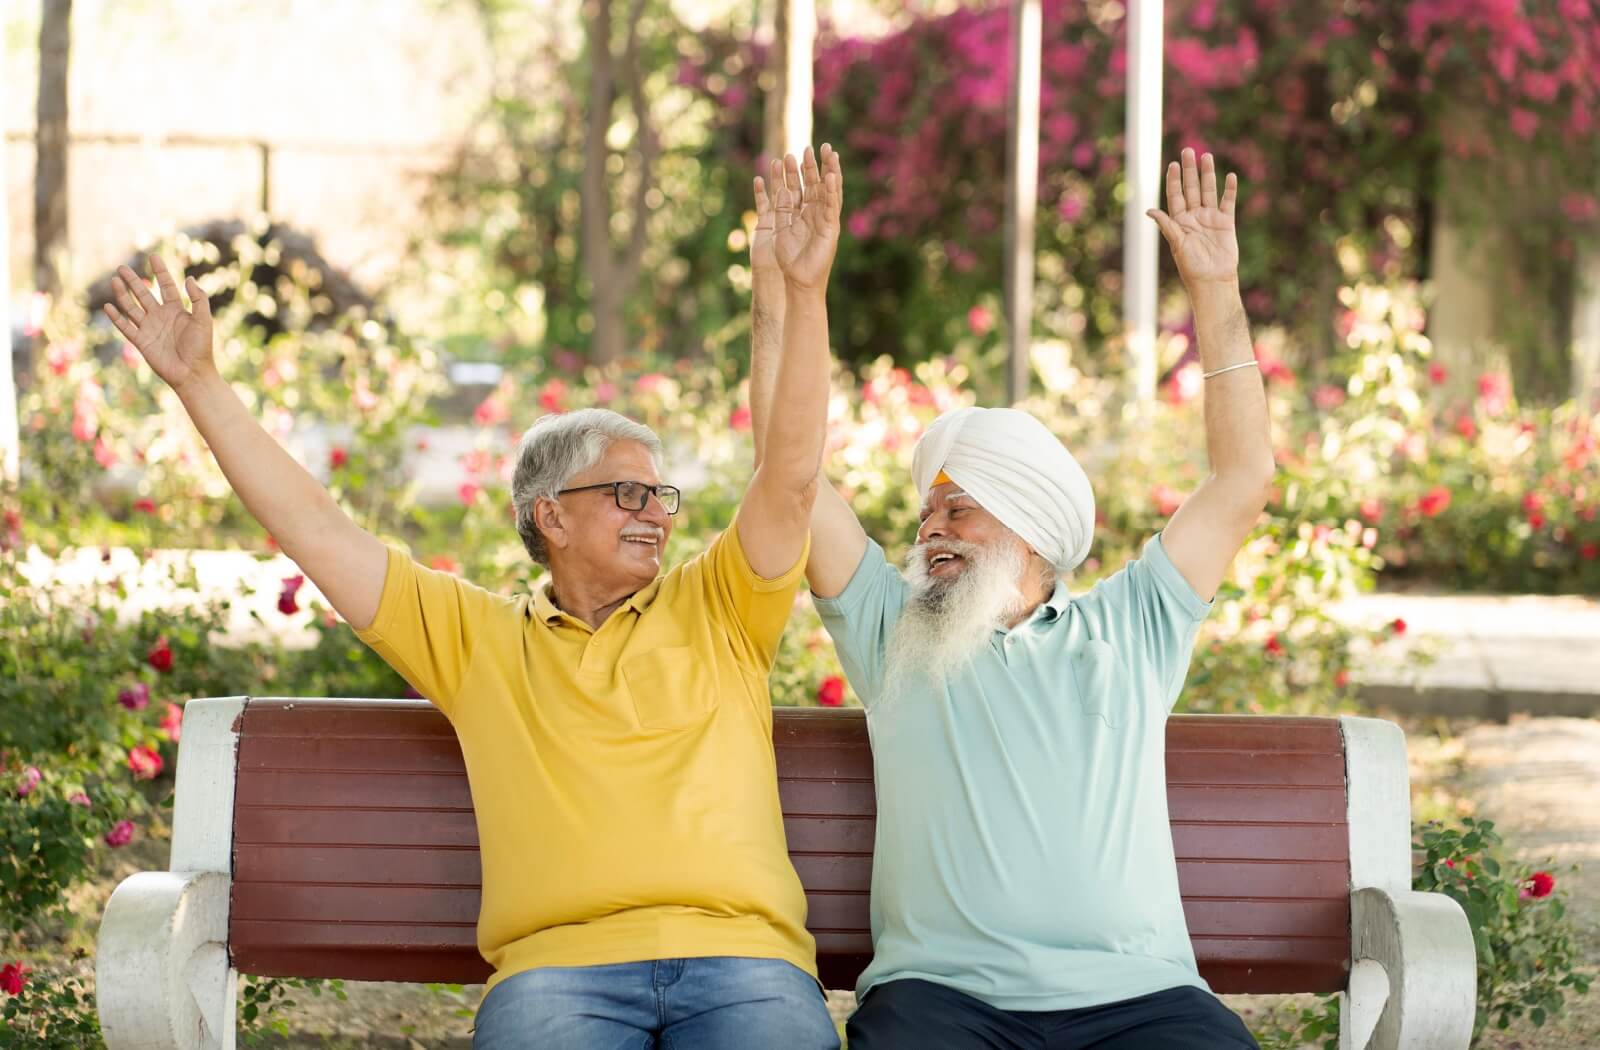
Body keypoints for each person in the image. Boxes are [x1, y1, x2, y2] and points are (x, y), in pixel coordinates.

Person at [104, 146, 845, 1050]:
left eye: (661, 495)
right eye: (627, 493)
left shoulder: (724, 604)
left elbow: (793, 479)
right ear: (552, 518)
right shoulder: (474, 638)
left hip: (746, 967)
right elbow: (318, 530)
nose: (656, 514)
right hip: (558, 979)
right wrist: (201, 385)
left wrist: (800, 296)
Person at [749, 148, 1269, 1049]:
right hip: (942, 1001)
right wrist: (787, 293)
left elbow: (1241, 479)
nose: (929, 530)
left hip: (1141, 1000)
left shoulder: (1131, 627)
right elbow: (788, 475)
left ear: (1031, 527)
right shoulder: (890, 632)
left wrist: (1215, 293)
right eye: (925, 513)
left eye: (959, 508)